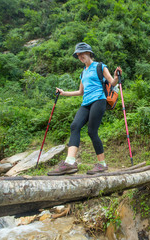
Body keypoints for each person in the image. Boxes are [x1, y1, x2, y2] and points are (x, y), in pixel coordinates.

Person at [48, 42, 122, 176]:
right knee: (75, 126)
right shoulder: (83, 73)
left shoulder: (100, 66)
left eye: (82, 53)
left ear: (88, 53)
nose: (80, 56)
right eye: (78, 55)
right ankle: (70, 162)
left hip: (99, 100)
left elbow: (112, 83)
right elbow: (80, 91)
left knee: (92, 131)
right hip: (86, 102)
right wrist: (64, 93)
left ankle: (102, 164)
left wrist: (116, 78)